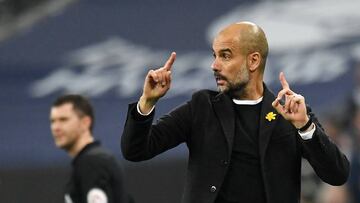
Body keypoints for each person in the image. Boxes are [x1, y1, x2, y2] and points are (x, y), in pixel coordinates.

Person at [121, 22, 350, 203]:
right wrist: (147, 101)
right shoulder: (202, 107)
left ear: (253, 61)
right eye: (215, 55)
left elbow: (337, 175)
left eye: (226, 55)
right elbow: (135, 150)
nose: (215, 65)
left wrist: (305, 127)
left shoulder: (289, 112)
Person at [50, 94, 130, 203]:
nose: (55, 127)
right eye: (53, 121)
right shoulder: (90, 161)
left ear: (85, 123)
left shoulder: (92, 163)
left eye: (63, 120)